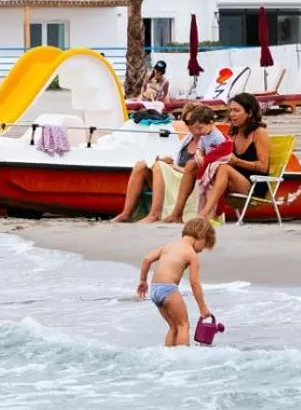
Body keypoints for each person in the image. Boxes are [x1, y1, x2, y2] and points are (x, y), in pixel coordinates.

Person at [112, 103, 223, 223]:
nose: (191, 126)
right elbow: (176, 160)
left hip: (191, 181)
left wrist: (172, 167)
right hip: (177, 177)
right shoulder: (188, 139)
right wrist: (166, 162)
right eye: (187, 122)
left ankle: (154, 215)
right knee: (141, 165)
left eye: (194, 121)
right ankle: (126, 213)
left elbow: (203, 171)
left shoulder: (210, 139)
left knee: (160, 167)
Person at [137, 217, 216, 347]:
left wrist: (143, 280)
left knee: (173, 327)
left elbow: (147, 259)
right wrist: (202, 307)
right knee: (183, 325)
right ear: (201, 235)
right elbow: (195, 283)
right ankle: (183, 358)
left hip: (155, 289)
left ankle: (169, 356)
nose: (201, 250)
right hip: (168, 289)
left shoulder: (168, 245)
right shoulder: (191, 254)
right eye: (204, 245)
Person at [198, 92, 270, 222]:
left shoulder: (259, 133)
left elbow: (263, 167)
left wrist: (237, 161)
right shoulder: (234, 134)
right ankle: (177, 213)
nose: (231, 115)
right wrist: (201, 153)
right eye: (230, 110)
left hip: (254, 184)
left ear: (249, 113)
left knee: (223, 168)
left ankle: (205, 214)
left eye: (236, 111)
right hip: (235, 181)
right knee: (196, 165)